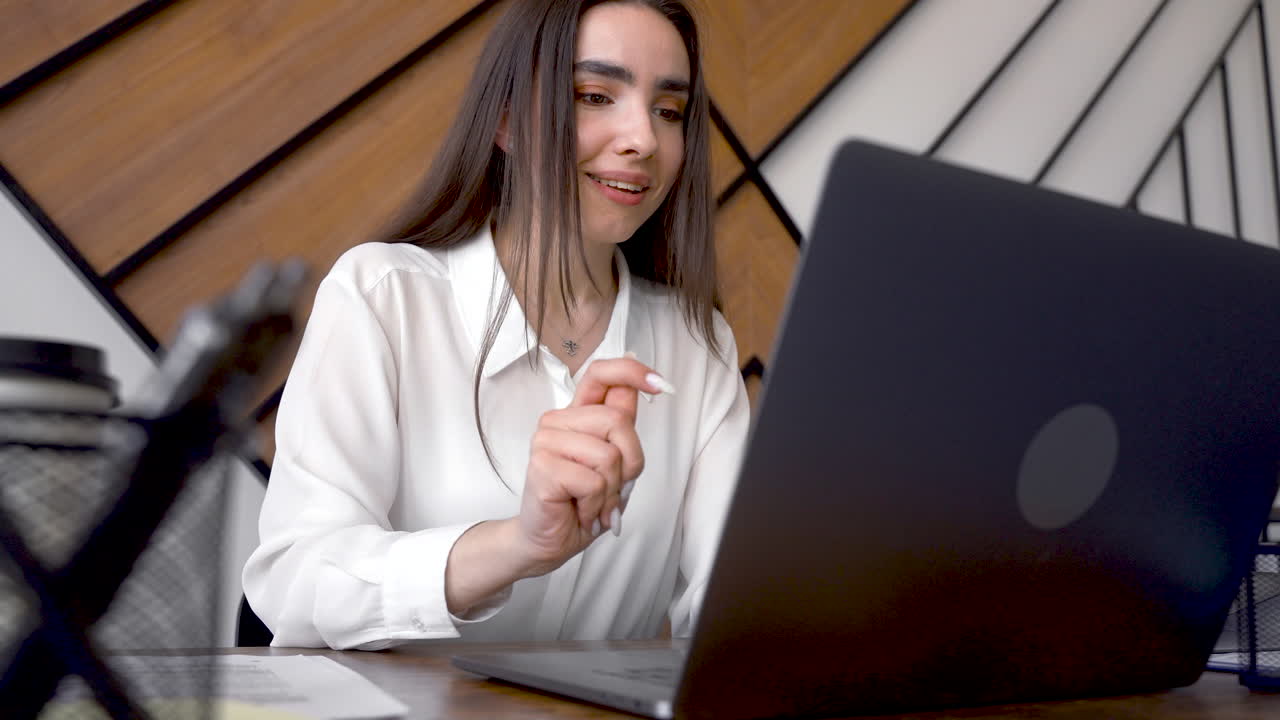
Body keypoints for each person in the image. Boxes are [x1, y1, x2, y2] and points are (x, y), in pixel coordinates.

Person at [242, 0, 749, 650]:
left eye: (668, 111)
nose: (643, 140)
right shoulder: (383, 296)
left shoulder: (696, 348)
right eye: (596, 95)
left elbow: (729, 615)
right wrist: (516, 545)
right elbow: (296, 582)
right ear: (508, 120)